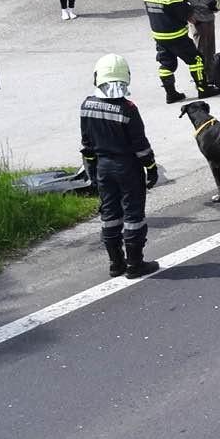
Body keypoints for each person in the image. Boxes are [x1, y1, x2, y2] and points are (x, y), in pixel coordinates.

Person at [79, 53, 161, 278]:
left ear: (98, 77)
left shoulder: (86, 106)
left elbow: (86, 145)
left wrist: (92, 171)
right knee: (133, 216)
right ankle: (135, 264)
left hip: (103, 167)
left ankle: (116, 263)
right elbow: (140, 145)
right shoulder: (128, 108)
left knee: (110, 214)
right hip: (127, 168)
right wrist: (151, 167)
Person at [145, 0, 213, 104]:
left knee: (166, 65)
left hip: (159, 37)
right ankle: (203, 89)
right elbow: (186, 14)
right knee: (197, 60)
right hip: (176, 37)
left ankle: (171, 94)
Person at [184, 0, 219, 69]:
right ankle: (201, 73)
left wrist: (215, 5)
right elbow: (179, 3)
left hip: (209, 18)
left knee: (211, 47)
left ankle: (211, 71)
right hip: (198, 21)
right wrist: (189, 16)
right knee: (201, 48)